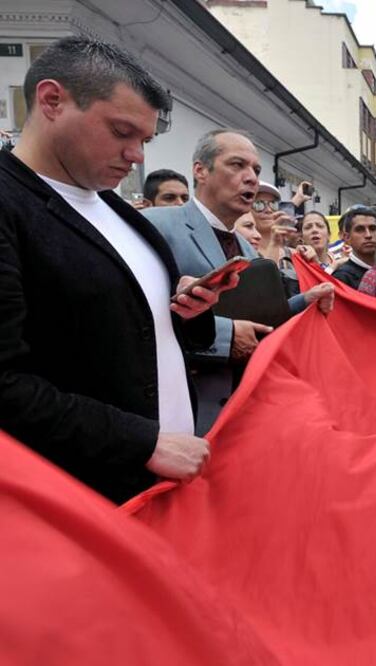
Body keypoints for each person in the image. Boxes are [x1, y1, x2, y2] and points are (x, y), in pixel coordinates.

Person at [0, 36, 235, 503]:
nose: (137, 156)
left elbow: (143, 331)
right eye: (121, 131)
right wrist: (141, 442)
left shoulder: (116, 208)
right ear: (52, 101)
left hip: (160, 490)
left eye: (144, 140)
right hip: (79, 503)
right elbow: (6, 384)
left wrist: (188, 311)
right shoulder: (10, 204)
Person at [144, 129, 332, 434]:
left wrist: (304, 301)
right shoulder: (158, 225)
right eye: (237, 165)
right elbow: (140, 313)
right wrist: (226, 335)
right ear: (200, 171)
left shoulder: (246, 249)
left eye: (255, 170)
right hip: (183, 414)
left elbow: (255, 317)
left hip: (244, 410)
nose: (251, 178)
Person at [331, 204, 376, 288]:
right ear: (347, 237)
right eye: (360, 230)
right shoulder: (342, 278)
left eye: (372, 228)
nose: (368, 235)